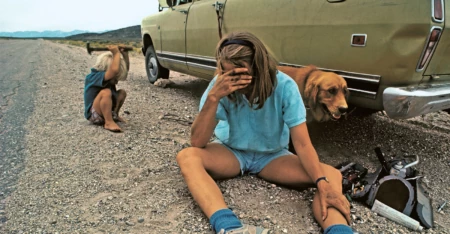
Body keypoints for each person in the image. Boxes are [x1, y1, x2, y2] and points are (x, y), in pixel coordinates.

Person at [176, 31, 353, 234]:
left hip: (272, 157)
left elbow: (303, 144)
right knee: (188, 157)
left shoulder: (285, 86)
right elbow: (198, 141)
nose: (235, 80)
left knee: (330, 175)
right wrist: (213, 98)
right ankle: (229, 227)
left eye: (241, 73)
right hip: (231, 151)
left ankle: (340, 231)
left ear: (258, 67)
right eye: (228, 73)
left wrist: (322, 183)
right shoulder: (220, 84)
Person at [83, 45, 130, 132]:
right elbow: (114, 70)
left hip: (105, 110)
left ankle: (114, 115)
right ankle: (108, 122)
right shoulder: (94, 76)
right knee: (106, 92)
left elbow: (124, 71)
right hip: (94, 114)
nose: (116, 82)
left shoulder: (106, 76)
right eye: (115, 79)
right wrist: (116, 53)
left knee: (121, 92)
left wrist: (125, 55)